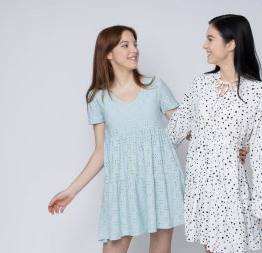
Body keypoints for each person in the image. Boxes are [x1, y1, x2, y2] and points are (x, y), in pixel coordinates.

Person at [48, 25, 249, 253]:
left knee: (160, 245)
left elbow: (190, 130)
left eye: (135, 44)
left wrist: (229, 145)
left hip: (160, 178)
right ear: (108, 53)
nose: (134, 50)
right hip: (123, 184)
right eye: (125, 45)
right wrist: (71, 191)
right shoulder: (97, 98)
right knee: (115, 245)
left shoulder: (155, 87)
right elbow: (100, 151)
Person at [167, 15, 262, 253]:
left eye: (210, 39)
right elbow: (175, 130)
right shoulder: (200, 85)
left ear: (231, 44)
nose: (204, 45)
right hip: (200, 188)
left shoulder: (257, 93)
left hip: (230, 190)